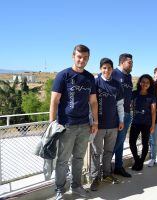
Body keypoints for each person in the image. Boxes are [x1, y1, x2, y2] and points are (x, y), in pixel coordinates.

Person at [49, 44, 98, 200]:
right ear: (73, 56)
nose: (82, 60)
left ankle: (76, 186)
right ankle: (59, 189)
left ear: (88, 59)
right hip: (66, 125)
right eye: (79, 57)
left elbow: (94, 102)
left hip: (84, 125)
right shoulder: (63, 76)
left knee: (78, 158)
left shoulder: (90, 78)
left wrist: (95, 122)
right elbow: (54, 101)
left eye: (85, 58)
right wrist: (52, 123)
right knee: (62, 160)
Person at [90, 58, 124, 191]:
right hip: (98, 126)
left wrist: (121, 120)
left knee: (109, 151)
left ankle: (107, 174)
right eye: (104, 68)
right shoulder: (95, 82)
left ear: (112, 69)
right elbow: (90, 103)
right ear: (100, 69)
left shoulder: (117, 85)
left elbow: (119, 104)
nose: (107, 70)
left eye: (109, 68)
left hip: (113, 125)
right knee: (96, 153)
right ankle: (94, 178)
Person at [111, 53, 133, 178]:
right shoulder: (113, 73)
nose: (132, 65)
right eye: (130, 62)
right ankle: (104, 168)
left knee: (121, 142)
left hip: (127, 113)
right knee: (117, 142)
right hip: (117, 114)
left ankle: (118, 167)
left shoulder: (129, 77)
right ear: (122, 62)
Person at [129, 74, 156, 171]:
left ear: (150, 84)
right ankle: (137, 160)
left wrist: (153, 125)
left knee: (145, 143)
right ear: (140, 82)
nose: (145, 84)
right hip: (135, 122)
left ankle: (140, 162)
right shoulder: (134, 93)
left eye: (147, 82)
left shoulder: (151, 96)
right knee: (132, 142)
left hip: (146, 123)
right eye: (143, 82)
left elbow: (153, 112)